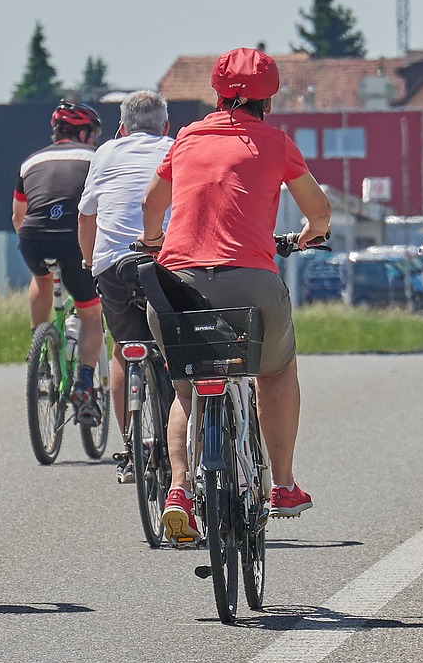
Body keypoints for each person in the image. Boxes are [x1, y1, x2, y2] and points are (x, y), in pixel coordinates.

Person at [138, 47, 332, 543]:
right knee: (277, 370)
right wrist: (309, 236)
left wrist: (155, 243)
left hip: (176, 282)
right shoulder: (275, 143)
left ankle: (179, 490)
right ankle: (283, 485)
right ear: (269, 100)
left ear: (217, 92)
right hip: (250, 281)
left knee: (186, 386)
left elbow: (151, 205)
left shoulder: (186, 139)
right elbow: (321, 213)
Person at [78, 89, 175, 484]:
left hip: (114, 266)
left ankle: (131, 446)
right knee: (174, 349)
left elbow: (87, 216)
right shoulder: (176, 148)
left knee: (125, 350)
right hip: (164, 261)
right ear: (166, 126)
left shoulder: (105, 154)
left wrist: (89, 261)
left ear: (121, 128)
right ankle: (175, 442)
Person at [16, 101, 104, 419]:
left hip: (33, 236)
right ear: (83, 133)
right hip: (72, 237)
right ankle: (84, 382)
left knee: (40, 277)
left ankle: (38, 351)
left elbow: (18, 215)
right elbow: (99, 210)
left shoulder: (30, 161)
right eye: (92, 134)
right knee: (91, 314)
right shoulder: (96, 158)